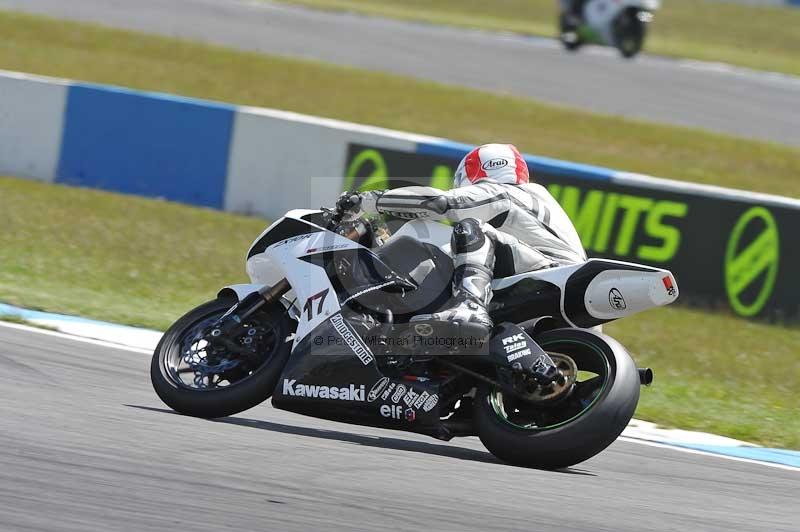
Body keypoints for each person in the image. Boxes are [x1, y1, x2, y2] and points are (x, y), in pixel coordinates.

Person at [338, 143, 586, 341]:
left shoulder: (504, 191)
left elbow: (443, 204)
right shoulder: (533, 203)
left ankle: (470, 306)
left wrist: (368, 201)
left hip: (552, 273)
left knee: (470, 228)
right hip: (561, 285)